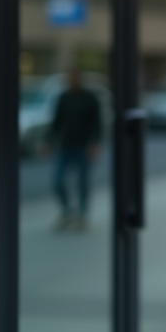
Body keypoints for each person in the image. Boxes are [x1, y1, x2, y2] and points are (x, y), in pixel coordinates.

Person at [46, 67, 101, 231]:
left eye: (74, 77)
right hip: (65, 146)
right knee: (57, 181)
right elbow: (57, 122)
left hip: (83, 147)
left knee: (83, 183)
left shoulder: (90, 98)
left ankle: (82, 215)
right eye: (69, 77)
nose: (71, 79)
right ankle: (66, 211)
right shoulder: (63, 97)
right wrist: (48, 142)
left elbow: (96, 123)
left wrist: (94, 144)